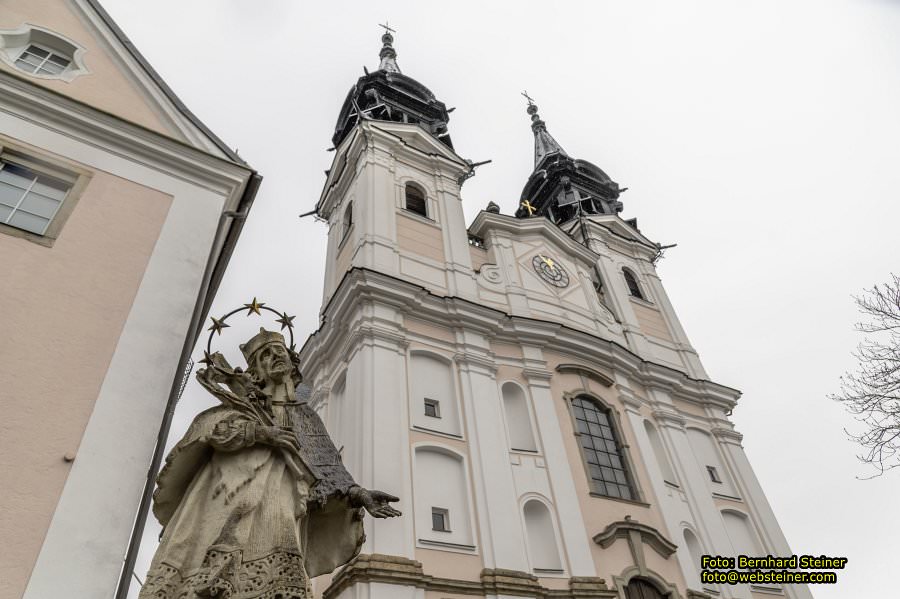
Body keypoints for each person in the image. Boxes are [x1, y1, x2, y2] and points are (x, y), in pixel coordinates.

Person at [140, 328, 400, 598]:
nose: (275, 356)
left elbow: (326, 467)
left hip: (279, 504)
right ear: (255, 373)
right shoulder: (240, 405)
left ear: (292, 364)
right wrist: (260, 433)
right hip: (225, 500)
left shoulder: (306, 416)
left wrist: (359, 494)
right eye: (265, 355)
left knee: (275, 579)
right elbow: (211, 430)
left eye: (280, 351)